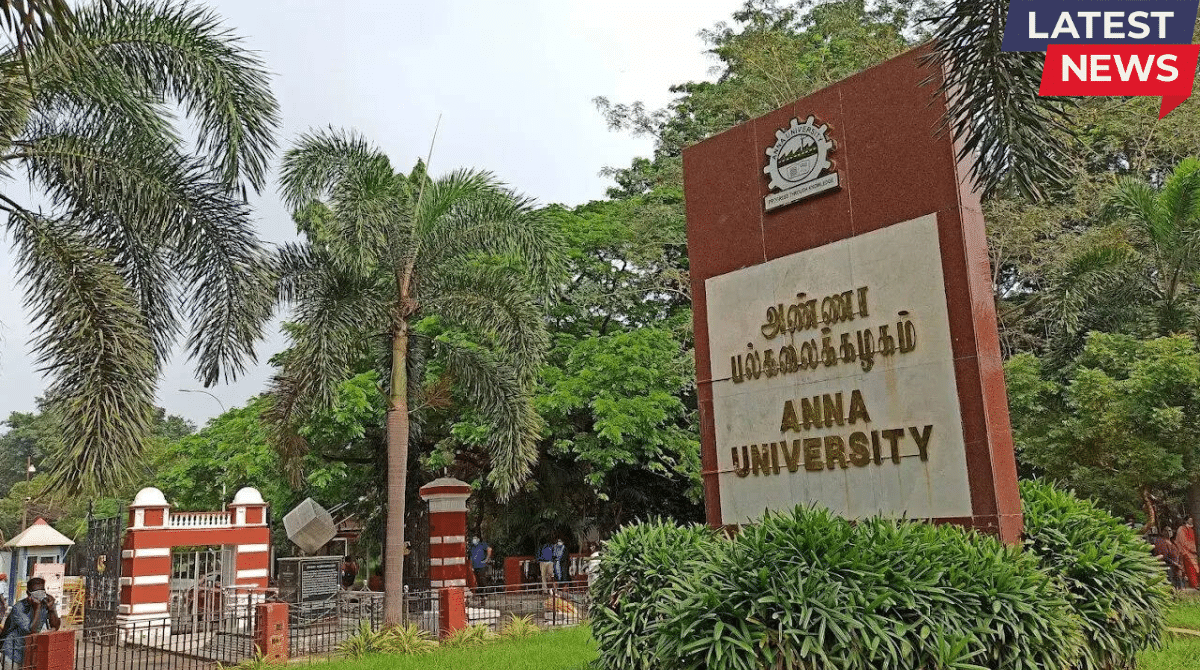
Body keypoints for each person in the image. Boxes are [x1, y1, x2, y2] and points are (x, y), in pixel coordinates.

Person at [1, 578, 60, 667]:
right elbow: (32, 631)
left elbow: (56, 626)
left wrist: (51, 609)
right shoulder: (19, 608)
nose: (39, 595)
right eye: (36, 592)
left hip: (30, 653)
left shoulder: (44, 604)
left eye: (42, 591)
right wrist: (37, 608)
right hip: (13, 653)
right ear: (28, 594)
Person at [1178, 517, 1198, 589]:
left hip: (1194, 552)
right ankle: (1194, 585)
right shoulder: (1182, 529)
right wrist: (1192, 549)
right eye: (1190, 520)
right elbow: (1183, 542)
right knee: (1191, 568)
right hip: (1186, 552)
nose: (1191, 521)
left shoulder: (1193, 529)